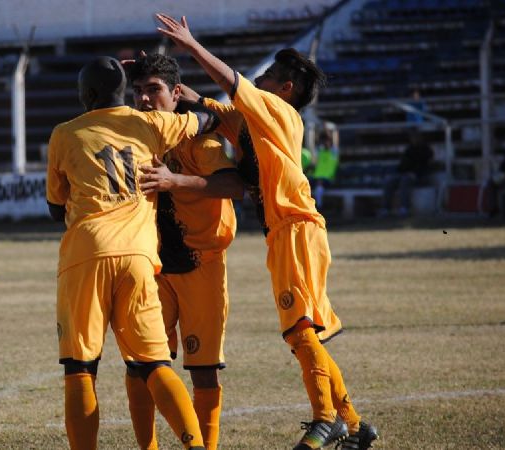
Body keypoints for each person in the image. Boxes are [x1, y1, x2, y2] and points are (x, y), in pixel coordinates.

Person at [155, 14, 378, 450]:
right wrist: (190, 96)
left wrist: (192, 45)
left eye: (271, 75)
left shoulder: (278, 112)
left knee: (299, 331)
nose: (261, 77)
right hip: (288, 230)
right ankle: (353, 424)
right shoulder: (257, 122)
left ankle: (324, 419)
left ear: (285, 89)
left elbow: (233, 85)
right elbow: (223, 115)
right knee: (305, 333)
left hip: (295, 227)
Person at [46, 56, 219, 450]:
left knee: (80, 368)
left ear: (86, 95)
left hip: (85, 252)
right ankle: (196, 446)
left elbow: (56, 207)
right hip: (139, 255)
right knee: (155, 364)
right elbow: (206, 118)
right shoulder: (152, 124)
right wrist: (182, 93)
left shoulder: (64, 133)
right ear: (125, 92)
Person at [124, 53, 244, 450]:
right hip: (155, 265)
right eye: (137, 91)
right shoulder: (136, 136)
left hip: (201, 264)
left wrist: (174, 180)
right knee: (141, 364)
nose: (143, 99)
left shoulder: (201, 139)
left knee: (203, 370)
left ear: (176, 94)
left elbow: (232, 186)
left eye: (153, 90)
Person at [379, 131, 433, 217]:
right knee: (390, 181)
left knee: (405, 180)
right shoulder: (409, 149)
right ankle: (385, 209)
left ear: (421, 138)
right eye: (412, 137)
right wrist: (400, 172)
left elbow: (426, 167)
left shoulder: (426, 150)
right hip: (404, 174)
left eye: (416, 137)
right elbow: (402, 165)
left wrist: (414, 174)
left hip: (419, 176)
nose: (414, 139)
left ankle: (405, 208)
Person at [310, 127, 340, 208]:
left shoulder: (334, 153)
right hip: (316, 178)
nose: (325, 143)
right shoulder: (320, 152)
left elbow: (335, 141)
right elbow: (313, 144)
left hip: (328, 179)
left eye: (327, 141)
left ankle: (319, 206)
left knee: (319, 183)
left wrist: (333, 131)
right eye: (323, 141)